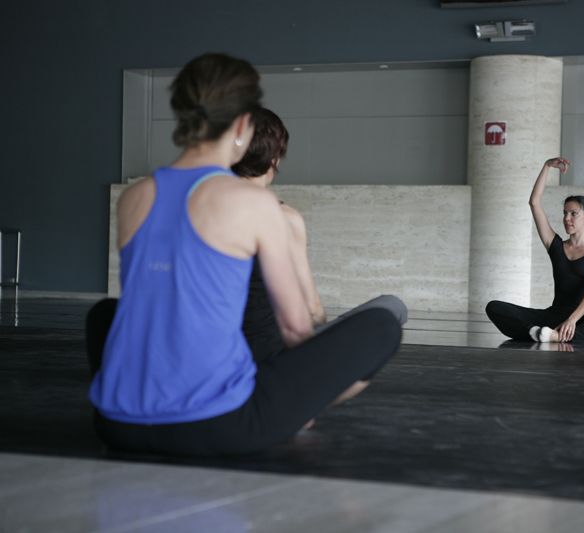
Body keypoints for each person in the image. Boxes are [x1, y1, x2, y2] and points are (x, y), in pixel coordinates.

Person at [85, 53, 402, 456]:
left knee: (105, 313)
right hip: (216, 426)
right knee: (381, 325)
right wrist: (301, 397)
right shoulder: (255, 204)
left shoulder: (133, 197)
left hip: (116, 426)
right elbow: (295, 329)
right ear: (241, 126)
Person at [231, 107, 407, 360]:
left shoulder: (201, 209)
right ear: (274, 158)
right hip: (269, 357)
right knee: (392, 306)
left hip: (216, 355)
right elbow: (312, 309)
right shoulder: (283, 218)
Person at [485, 157, 584, 343]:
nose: (567, 218)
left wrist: (572, 321)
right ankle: (544, 334)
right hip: (554, 316)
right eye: (565, 213)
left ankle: (555, 336)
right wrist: (547, 166)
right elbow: (534, 203)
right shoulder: (556, 245)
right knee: (494, 307)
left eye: (573, 214)